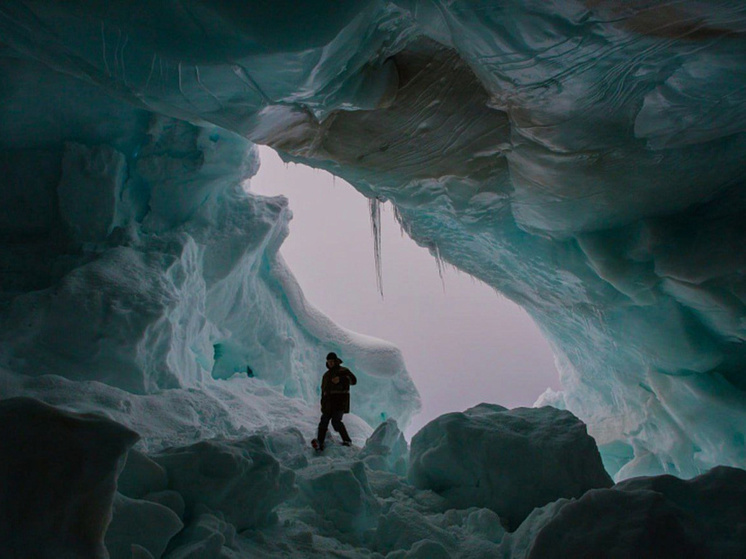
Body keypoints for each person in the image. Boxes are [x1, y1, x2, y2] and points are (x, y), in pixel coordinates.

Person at [314, 352, 357, 450]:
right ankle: (320, 442)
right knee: (323, 421)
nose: (330, 363)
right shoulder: (326, 375)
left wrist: (341, 379)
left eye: (332, 361)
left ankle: (347, 440)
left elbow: (353, 380)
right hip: (328, 403)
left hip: (339, 402)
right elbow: (323, 391)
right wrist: (323, 404)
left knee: (336, 421)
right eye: (329, 362)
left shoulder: (343, 370)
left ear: (336, 361)